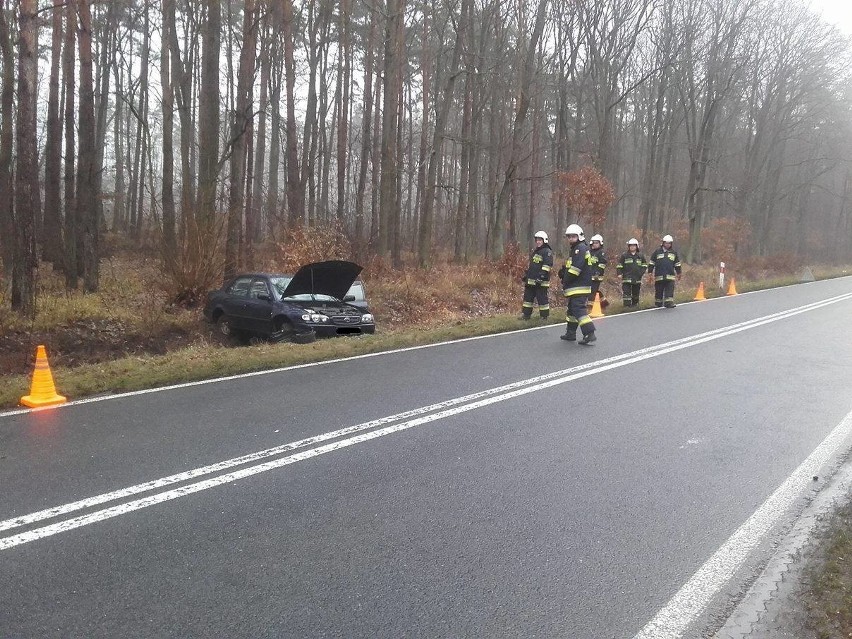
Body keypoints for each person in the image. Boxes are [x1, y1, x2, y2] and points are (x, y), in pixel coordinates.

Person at [557, 224, 596, 344]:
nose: (570, 239)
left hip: (579, 286)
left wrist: (566, 278)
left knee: (578, 310)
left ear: (579, 236)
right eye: (569, 237)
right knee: (572, 311)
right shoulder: (576, 249)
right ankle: (570, 333)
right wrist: (564, 272)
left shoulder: (580, 249)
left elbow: (576, 269)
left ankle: (589, 333)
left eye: (573, 236)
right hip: (577, 286)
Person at [520, 230, 553, 320]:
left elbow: (547, 265)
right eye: (537, 240)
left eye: (540, 240)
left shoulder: (547, 252)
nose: (538, 242)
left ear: (544, 240)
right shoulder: (536, 252)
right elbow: (532, 266)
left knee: (542, 299)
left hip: (541, 281)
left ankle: (544, 316)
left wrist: (541, 276)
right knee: (528, 298)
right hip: (531, 280)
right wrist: (527, 275)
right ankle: (526, 315)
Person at [647, 234, 682, 308]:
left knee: (670, 290)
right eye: (666, 243)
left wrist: (679, 273)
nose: (668, 245)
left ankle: (668, 303)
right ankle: (658, 303)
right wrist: (650, 272)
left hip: (670, 276)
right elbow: (651, 263)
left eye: (669, 243)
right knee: (659, 290)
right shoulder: (657, 252)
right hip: (659, 276)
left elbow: (677, 264)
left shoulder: (673, 253)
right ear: (663, 243)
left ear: (671, 244)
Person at [616, 238, 647, 307]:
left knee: (636, 293)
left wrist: (641, 273)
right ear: (628, 247)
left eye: (634, 245)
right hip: (627, 278)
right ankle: (626, 306)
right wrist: (619, 273)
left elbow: (644, 265)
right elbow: (619, 265)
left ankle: (635, 305)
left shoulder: (640, 256)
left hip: (637, 278)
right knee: (626, 292)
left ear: (636, 246)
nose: (632, 247)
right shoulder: (624, 256)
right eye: (631, 245)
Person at [588, 234, 608, 309]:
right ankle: (604, 303)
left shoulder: (601, 253)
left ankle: (590, 307)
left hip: (597, 276)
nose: (595, 244)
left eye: (597, 243)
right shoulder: (589, 252)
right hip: (589, 275)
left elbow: (602, 264)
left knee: (592, 291)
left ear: (600, 243)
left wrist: (598, 272)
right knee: (594, 291)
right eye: (594, 243)